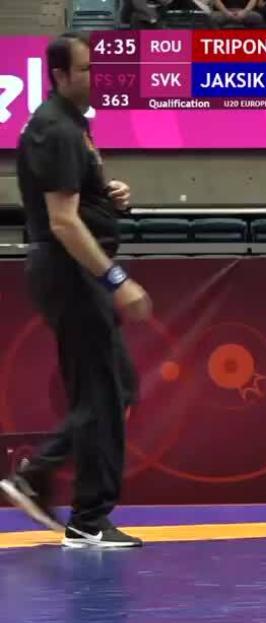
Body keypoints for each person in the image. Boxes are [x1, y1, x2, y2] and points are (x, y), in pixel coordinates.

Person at [1, 33, 152, 549]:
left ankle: (51, 486)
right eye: (86, 70)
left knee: (115, 388)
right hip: (71, 272)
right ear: (61, 75)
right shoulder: (56, 128)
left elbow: (77, 202)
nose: (96, 78)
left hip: (73, 272)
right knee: (101, 392)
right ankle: (77, 508)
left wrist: (110, 195)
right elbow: (63, 222)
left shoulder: (72, 126)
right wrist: (115, 279)